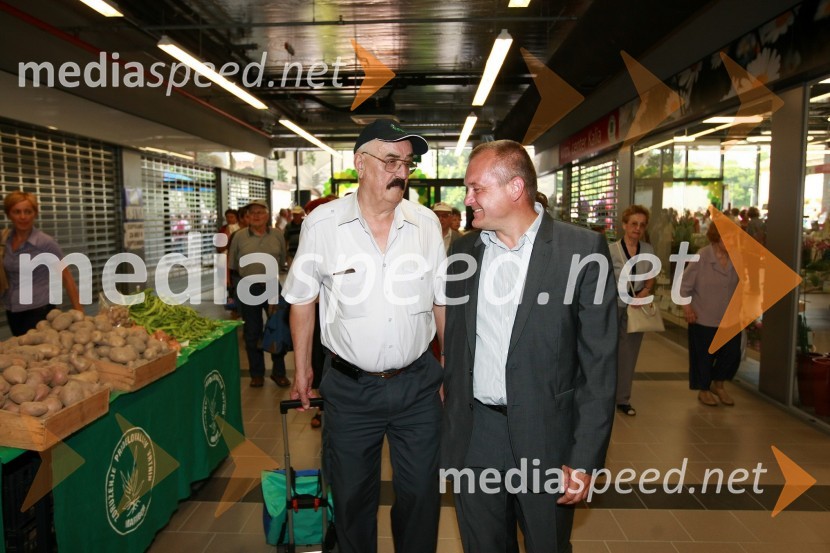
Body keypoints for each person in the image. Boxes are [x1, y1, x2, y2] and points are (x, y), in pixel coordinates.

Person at [441, 140, 617, 553]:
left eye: (476, 189)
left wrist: (585, 458)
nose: (467, 199)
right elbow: (457, 342)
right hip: (476, 435)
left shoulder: (582, 251)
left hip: (547, 438)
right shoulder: (464, 250)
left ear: (515, 188)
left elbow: (600, 367)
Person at [283, 119, 445, 553]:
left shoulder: (426, 224)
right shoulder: (323, 224)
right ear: (360, 163)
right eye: (391, 160)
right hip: (351, 391)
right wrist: (302, 371)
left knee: (420, 497)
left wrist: (450, 367)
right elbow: (302, 299)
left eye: (407, 163)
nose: (401, 172)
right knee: (353, 498)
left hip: (417, 386)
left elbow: (442, 301)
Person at [228, 199, 290, 388]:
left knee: (277, 328)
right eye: (252, 212)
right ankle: (256, 374)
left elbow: (282, 260)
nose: (256, 215)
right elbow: (232, 265)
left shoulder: (278, 235)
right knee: (251, 332)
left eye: (260, 212)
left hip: (272, 285)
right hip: (247, 287)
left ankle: (279, 373)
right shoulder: (239, 236)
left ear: (268, 215)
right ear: (247, 217)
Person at [2, 191, 82, 336]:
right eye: (17, 212)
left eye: (28, 211)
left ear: (35, 214)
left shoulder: (45, 243)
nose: (23, 217)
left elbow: (66, 277)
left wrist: (80, 315)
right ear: (8, 214)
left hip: (40, 310)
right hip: (12, 309)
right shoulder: (4, 241)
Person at [680, 223, 741, 406]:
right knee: (704, 357)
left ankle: (719, 384)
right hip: (703, 316)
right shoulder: (702, 256)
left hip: (729, 318)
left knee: (731, 354)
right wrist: (687, 309)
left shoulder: (737, 258)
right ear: (716, 237)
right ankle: (704, 390)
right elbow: (684, 286)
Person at [609, 205, 656, 417]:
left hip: (636, 306)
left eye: (642, 225)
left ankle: (623, 399)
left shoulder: (648, 250)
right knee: (608, 353)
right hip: (614, 306)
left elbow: (651, 277)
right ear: (625, 225)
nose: (637, 228)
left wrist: (645, 291)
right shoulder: (611, 250)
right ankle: (605, 395)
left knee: (628, 355)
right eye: (634, 224)